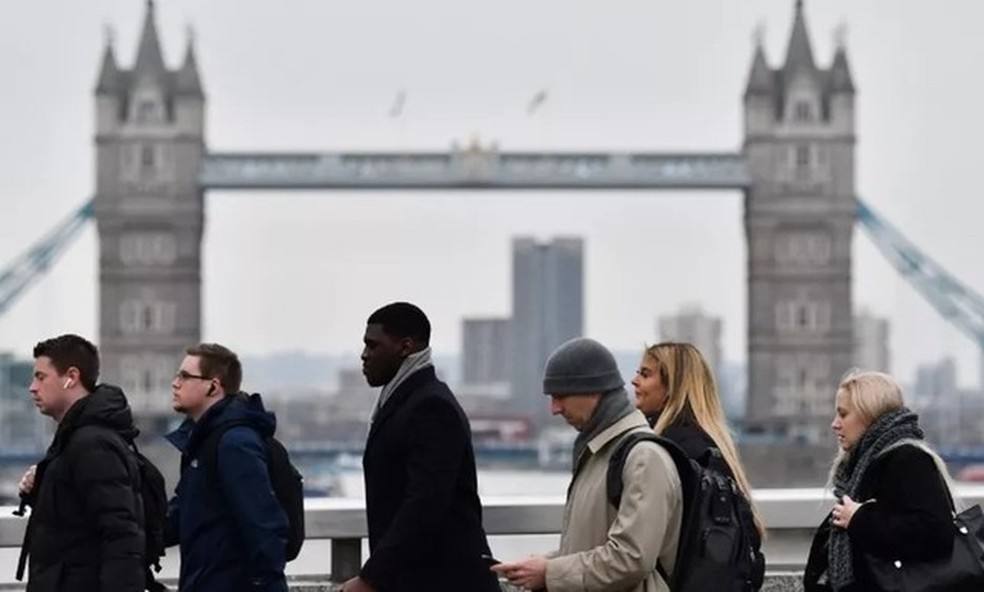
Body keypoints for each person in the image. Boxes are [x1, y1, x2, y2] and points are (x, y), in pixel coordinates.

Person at [493, 337, 683, 592]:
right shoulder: (600, 453)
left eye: (560, 396)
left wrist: (550, 573)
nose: (554, 409)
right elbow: (592, 547)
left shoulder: (644, 458)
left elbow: (631, 558)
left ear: (594, 390)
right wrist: (546, 564)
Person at [342, 302, 500, 592]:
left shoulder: (430, 406)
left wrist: (371, 578)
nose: (364, 355)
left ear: (405, 346)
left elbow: (425, 502)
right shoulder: (407, 400)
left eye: (373, 345)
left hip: (444, 581)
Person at [803, 371, 954, 591]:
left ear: (869, 415)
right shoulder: (864, 462)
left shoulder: (907, 459)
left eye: (843, 415)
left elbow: (936, 533)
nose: (835, 424)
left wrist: (859, 518)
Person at [16, 334, 145, 592]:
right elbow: (73, 519)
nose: (32, 387)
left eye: (41, 377)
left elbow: (120, 533)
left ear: (71, 378)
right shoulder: (75, 437)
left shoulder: (90, 443)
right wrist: (39, 489)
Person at [164, 343, 289, 592]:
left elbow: (263, 524)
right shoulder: (203, 440)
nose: (175, 383)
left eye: (185, 376)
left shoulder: (234, 443)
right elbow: (185, 511)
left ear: (213, 386)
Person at [631, 341, 765, 538]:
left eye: (645, 374)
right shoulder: (709, 445)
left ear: (672, 387)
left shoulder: (675, 450)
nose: (634, 380)